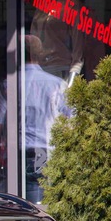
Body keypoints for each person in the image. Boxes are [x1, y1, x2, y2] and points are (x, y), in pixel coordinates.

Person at [23, 34, 71, 203]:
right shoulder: (56, 84)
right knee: (42, 203)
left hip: (17, 152)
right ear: (40, 54)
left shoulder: (10, 84)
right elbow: (71, 119)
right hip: (44, 151)